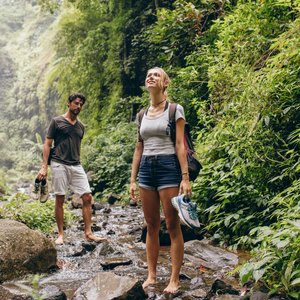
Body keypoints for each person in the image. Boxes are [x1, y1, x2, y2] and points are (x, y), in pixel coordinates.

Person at [129, 67, 191, 293]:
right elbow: (138, 148)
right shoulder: (141, 114)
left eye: (156, 74)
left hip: (168, 167)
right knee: (152, 225)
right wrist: (133, 180)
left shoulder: (175, 110)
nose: (150, 77)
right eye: (148, 75)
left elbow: (180, 145)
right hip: (146, 168)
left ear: (165, 83)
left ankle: (174, 279)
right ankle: (152, 275)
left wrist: (185, 177)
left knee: (172, 225)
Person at [37, 93, 106, 245]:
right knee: (60, 198)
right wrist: (44, 167)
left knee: (87, 197)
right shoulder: (56, 121)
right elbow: (47, 144)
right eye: (76, 103)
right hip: (58, 163)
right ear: (68, 104)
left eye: (81, 104)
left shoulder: (81, 127)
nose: (78, 106)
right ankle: (61, 234)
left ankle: (88, 233)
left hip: (76, 164)